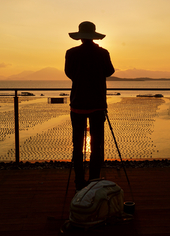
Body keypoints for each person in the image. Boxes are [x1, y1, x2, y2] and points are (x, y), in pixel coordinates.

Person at [65, 21, 115, 191]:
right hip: (98, 104)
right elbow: (109, 72)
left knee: (77, 145)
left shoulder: (71, 53)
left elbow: (69, 74)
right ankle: (94, 181)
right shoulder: (103, 53)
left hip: (77, 103)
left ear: (80, 37)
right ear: (94, 35)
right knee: (97, 145)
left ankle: (79, 182)